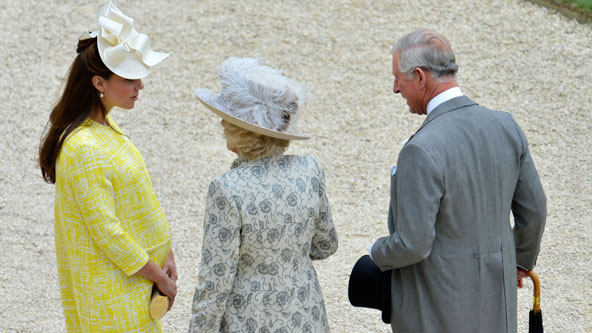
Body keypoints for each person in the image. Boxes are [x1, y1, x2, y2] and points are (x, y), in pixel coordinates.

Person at [365, 29, 547, 332]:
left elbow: (412, 244)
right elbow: (535, 210)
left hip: (435, 309)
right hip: (496, 303)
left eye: (398, 78)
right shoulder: (506, 126)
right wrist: (519, 262)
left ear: (421, 78)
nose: (395, 88)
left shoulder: (420, 149)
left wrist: (375, 252)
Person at [38, 2, 176, 331]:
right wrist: (161, 278)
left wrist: (167, 252)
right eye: (129, 79)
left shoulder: (105, 130)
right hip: (111, 297)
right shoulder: (82, 147)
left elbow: (142, 200)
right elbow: (108, 233)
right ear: (99, 83)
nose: (140, 86)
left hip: (135, 287)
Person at [189, 57, 338, 332]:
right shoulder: (310, 170)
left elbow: (215, 279)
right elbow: (326, 244)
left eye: (227, 118)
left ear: (243, 131)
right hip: (306, 317)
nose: (221, 122)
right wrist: (287, 258)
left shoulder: (227, 189)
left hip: (250, 320)